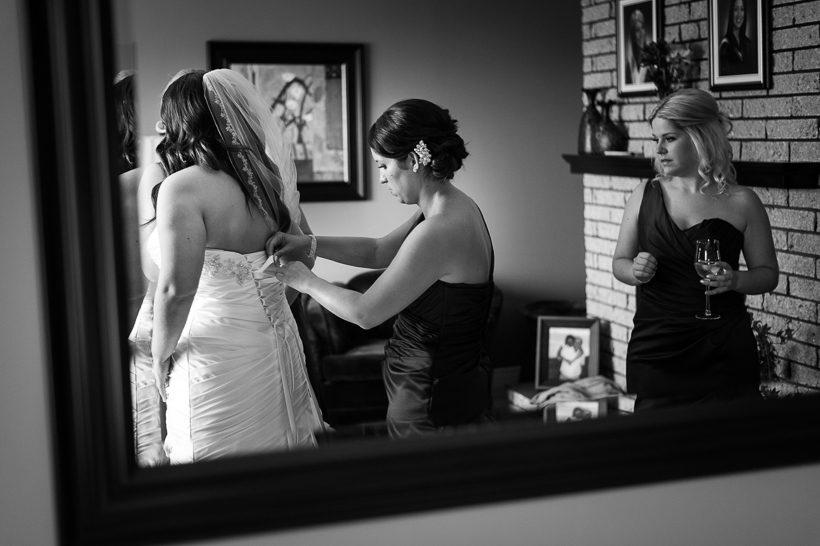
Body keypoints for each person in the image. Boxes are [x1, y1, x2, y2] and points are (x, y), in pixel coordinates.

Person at [268, 98, 494, 438]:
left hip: (428, 396)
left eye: (382, 166)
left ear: (414, 159)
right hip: (444, 383)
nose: (382, 179)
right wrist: (309, 243)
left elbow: (365, 313)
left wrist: (306, 280)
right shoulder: (452, 207)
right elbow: (378, 251)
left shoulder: (440, 229)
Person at [146, 68, 324, 464]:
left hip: (215, 355)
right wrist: (269, 306)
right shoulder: (264, 178)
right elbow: (305, 254)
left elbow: (177, 290)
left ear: (181, 121)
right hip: (274, 345)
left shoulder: (183, 186)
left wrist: (158, 356)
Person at [612, 88, 778, 412]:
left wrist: (736, 281)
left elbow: (768, 275)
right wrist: (634, 271)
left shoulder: (743, 201)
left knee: (730, 453)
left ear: (699, 137)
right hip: (657, 351)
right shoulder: (644, 193)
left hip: (724, 352)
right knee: (658, 453)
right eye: (655, 139)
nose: (658, 149)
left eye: (669, 138)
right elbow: (620, 262)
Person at [719, 0, 756, 76]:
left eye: (742, 9)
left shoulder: (748, 43)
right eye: (735, 9)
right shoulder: (725, 44)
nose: (739, 14)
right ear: (731, 13)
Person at [624, 7, 650, 85]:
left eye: (640, 33)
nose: (637, 37)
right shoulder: (629, 63)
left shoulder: (648, 64)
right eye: (635, 33)